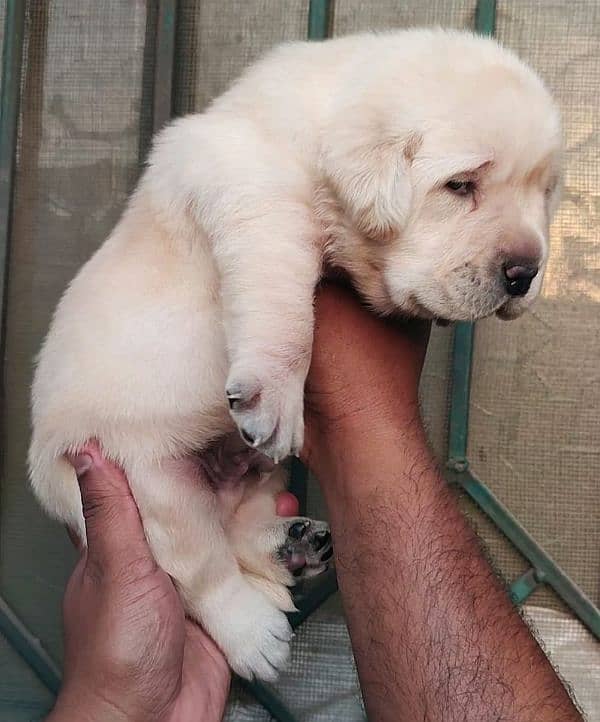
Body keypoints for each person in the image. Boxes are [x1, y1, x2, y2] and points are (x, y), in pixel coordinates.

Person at [46, 284, 583, 722]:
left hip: (206, 429)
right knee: (205, 479)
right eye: (463, 187)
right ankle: (234, 570)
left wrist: (112, 705)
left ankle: (253, 542)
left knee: (257, 473)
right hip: (146, 427)